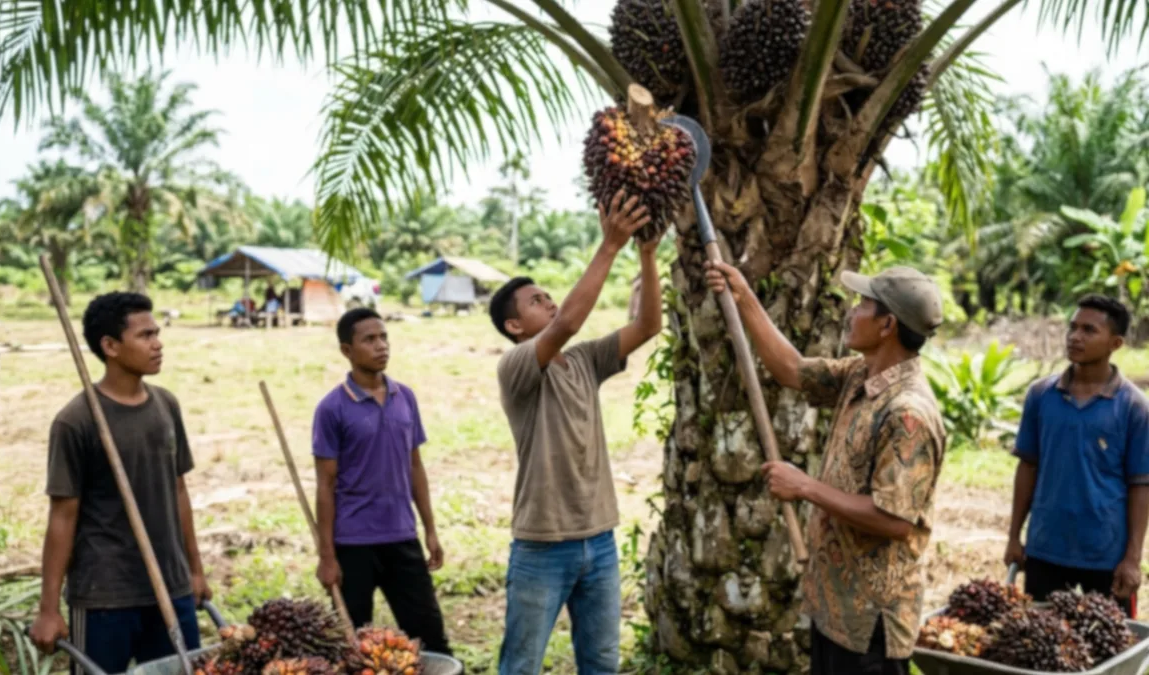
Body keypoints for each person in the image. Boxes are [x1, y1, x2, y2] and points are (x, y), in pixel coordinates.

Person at [705, 262, 947, 675]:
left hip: (871, 623)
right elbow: (792, 370)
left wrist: (805, 487)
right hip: (836, 608)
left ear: (887, 324)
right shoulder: (860, 375)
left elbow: (894, 520)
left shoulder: (908, 414)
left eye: (862, 304)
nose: (852, 311)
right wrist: (743, 295)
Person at [488, 189, 661, 675]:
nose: (549, 301)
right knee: (521, 664)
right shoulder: (517, 367)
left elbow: (648, 325)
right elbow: (567, 321)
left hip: (599, 539)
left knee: (602, 661)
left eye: (547, 294)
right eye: (536, 301)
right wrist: (609, 246)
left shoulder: (584, 360)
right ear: (515, 325)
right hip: (542, 544)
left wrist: (646, 252)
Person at [29, 292, 208, 675]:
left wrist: (194, 569)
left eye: (157, 333)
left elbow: (178, 490)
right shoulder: (76, 421)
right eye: (145, 335)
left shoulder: (165, 406)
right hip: (105, 595)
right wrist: (48, 609)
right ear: (109, 346)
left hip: (170, 585)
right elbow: (62, 516)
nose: (158, 343)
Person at [312, 308, 452, 655]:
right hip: (353, 543)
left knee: (430, 638)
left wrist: (430, 530)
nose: (381, 346)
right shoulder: (332, 408)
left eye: (384, 337)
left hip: (402, 537)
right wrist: (327, 556)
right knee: (351, 647)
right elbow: (325, 486)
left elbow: (415, 467)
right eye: (369, 340)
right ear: (347, 350)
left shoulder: (404, 397)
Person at [1004, 295, 1148, 618]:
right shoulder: (1041, 395)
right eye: (1072, 327)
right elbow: (1028, 467)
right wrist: (1014, 535)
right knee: (1041, 648)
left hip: (1105, 557)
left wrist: (1132, 559)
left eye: (1088, 330)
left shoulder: (1133, 407)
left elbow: (1141, 485)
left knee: (1105, 649)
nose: (1075, 337)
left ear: (1115, 343)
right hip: (1045, 550)